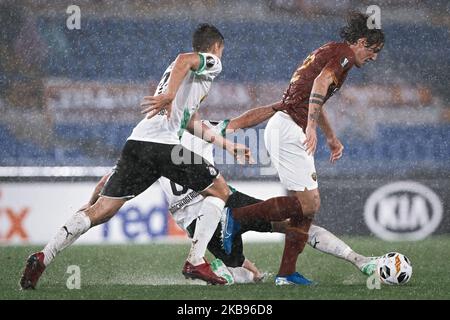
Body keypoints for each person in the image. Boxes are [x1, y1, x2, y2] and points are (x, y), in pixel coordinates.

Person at [20, 23, 251, 289]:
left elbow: (188, 122)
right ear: (216, 47)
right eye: (220, 51)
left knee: (101, 211)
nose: (219, 57)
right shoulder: (210, 62)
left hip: (138, 142)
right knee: (221, 191)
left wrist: (227, 145)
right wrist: (169, 95)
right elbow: (184, 59)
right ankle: (196, 260)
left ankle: (43, 256)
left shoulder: (185, 78)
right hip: (163, 147)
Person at [81, 111, 379, 285]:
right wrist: (276, 107)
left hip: (205, 224)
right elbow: (242, 121)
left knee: (248, 268)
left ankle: (358, 260)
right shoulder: (202, 129)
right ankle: (359, 261)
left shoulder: (151, 148)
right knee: (284, 232)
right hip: (222, 206)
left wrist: (92, 204)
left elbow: (109, 180)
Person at [221, 11, 385, 285]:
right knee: (309, 204)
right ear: (360, 41)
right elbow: (319, 85)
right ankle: (236, 218)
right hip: (288, 127)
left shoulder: (332, 50)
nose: (374, 57)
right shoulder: (342, 54)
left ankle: (286, 274)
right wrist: (310, 126)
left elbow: (316, 98)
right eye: (373, 50)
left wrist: (331, 136)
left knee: (306, 208)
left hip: (287, 126)